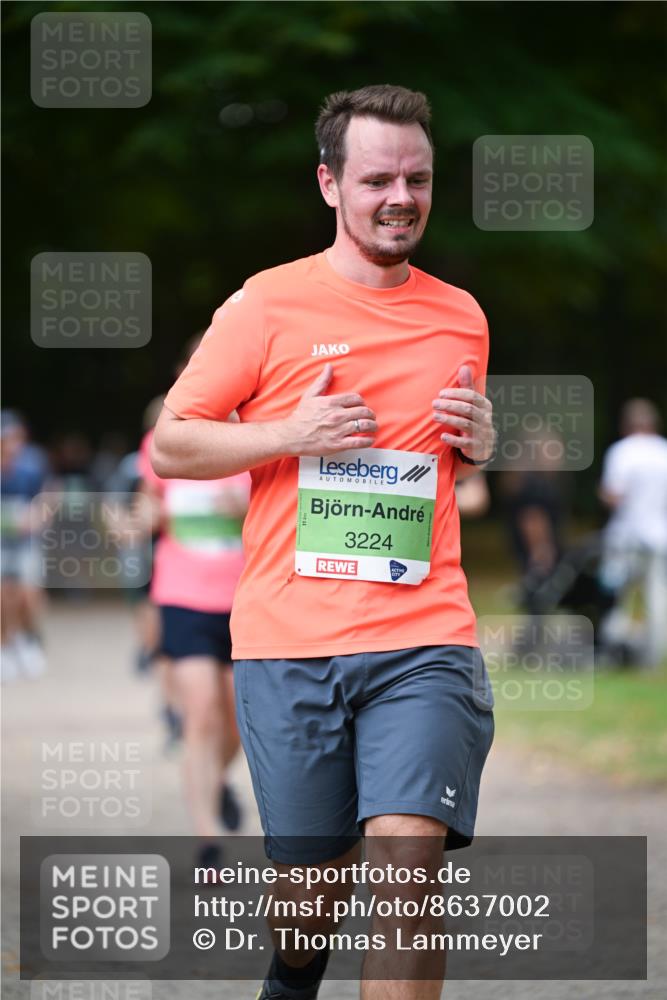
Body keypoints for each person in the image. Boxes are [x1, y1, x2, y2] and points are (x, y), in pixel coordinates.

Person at [152, 84, 496, 1000]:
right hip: (289, 643)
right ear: (329, 185)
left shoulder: (461, 315)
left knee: (408, 866)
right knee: (310, 897)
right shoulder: (265, 306)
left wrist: (479, 443)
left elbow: (439, 468)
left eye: (417, 178)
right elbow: (173, 441)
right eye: (378, 177)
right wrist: (286, 435)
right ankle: (294, 975)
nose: (400, 197)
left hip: (423, 636)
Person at [139, 405, 250, 862]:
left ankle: (216, 777)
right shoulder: (164, 442)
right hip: (182, 594)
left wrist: (247, 507)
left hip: (244, 596)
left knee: (240, 720)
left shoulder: (259, 438)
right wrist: (140, 516)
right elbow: (148, 503)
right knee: (200, 712)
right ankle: (206, 837)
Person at [598, 398, 667, 667]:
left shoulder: (622, 451)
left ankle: (615, 651)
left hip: (625, 535)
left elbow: (614, 494)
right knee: (657, 596)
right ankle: (652, 657)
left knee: (616, 595)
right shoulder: (664, 451)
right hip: (660, 535)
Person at [1, 411, 49, 680]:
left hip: (26, 541)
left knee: (29, 595)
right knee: (3, 595)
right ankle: (6, 645)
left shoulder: (31, 466)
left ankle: (26, 637)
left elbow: (46, 498)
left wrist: (36, 516)